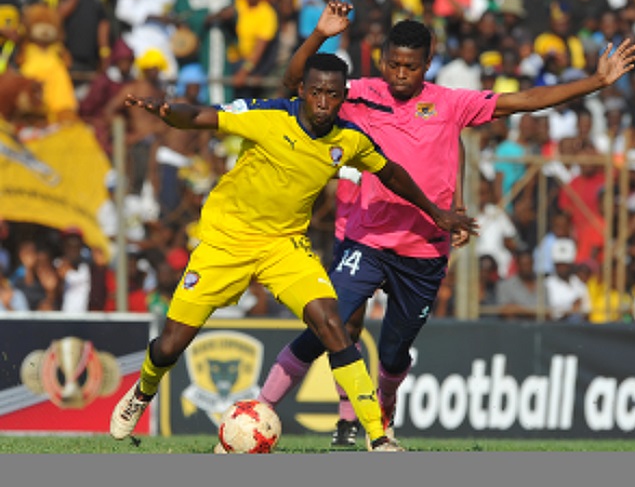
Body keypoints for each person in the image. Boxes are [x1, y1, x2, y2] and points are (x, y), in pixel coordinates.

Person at [255, 0, 635, 449]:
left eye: (411, 67)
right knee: (329, 322)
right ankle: (260, 410)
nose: (401, 74)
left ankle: (385, 404)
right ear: (383, 62)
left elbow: (524, 101)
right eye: (394, 64)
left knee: (395, 353)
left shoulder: (450, 103)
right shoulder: (358, 94)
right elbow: (295, 83)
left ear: (427, 65)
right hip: (368, 237)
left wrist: (596, 81)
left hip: (424, 250)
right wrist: (321, 34)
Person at [108, 52, 478, 453]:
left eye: (333, 95)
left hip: (284, 246)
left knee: (331, 321)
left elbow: (390, 173)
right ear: (301, 90)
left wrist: (437, 212)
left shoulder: (348, 139)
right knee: (170, 344)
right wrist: (169, 112)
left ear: (343, 97)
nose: (323, 102)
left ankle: (378, 436)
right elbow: (200, 116)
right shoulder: (266, 116)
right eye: (315, 92)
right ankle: (142, 392)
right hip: (226, 242)